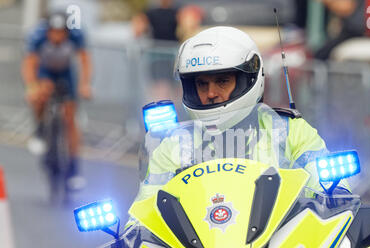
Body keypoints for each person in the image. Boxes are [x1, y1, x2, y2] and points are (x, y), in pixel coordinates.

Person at [126, 26, 351, 228]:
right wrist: (132, 235)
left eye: (222, 81)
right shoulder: (174, 144)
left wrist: (336, 196)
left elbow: (331, 189)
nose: (211, 93)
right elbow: (145, 209)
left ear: (248, 80)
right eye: (202, 84)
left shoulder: (288, 131)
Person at [21, 11, 92, 190]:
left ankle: (74, 168)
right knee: (40, 94)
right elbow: (30, 63)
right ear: (48, 31)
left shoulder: (76, 35)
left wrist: (85, 84)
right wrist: (31, 87)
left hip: (66, 74)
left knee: (70, 117)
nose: (57, 36)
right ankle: (40, 130)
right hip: (45, 72)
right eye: (54, 32)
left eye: (61, 33)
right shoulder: (38, 36)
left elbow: (84, 60)